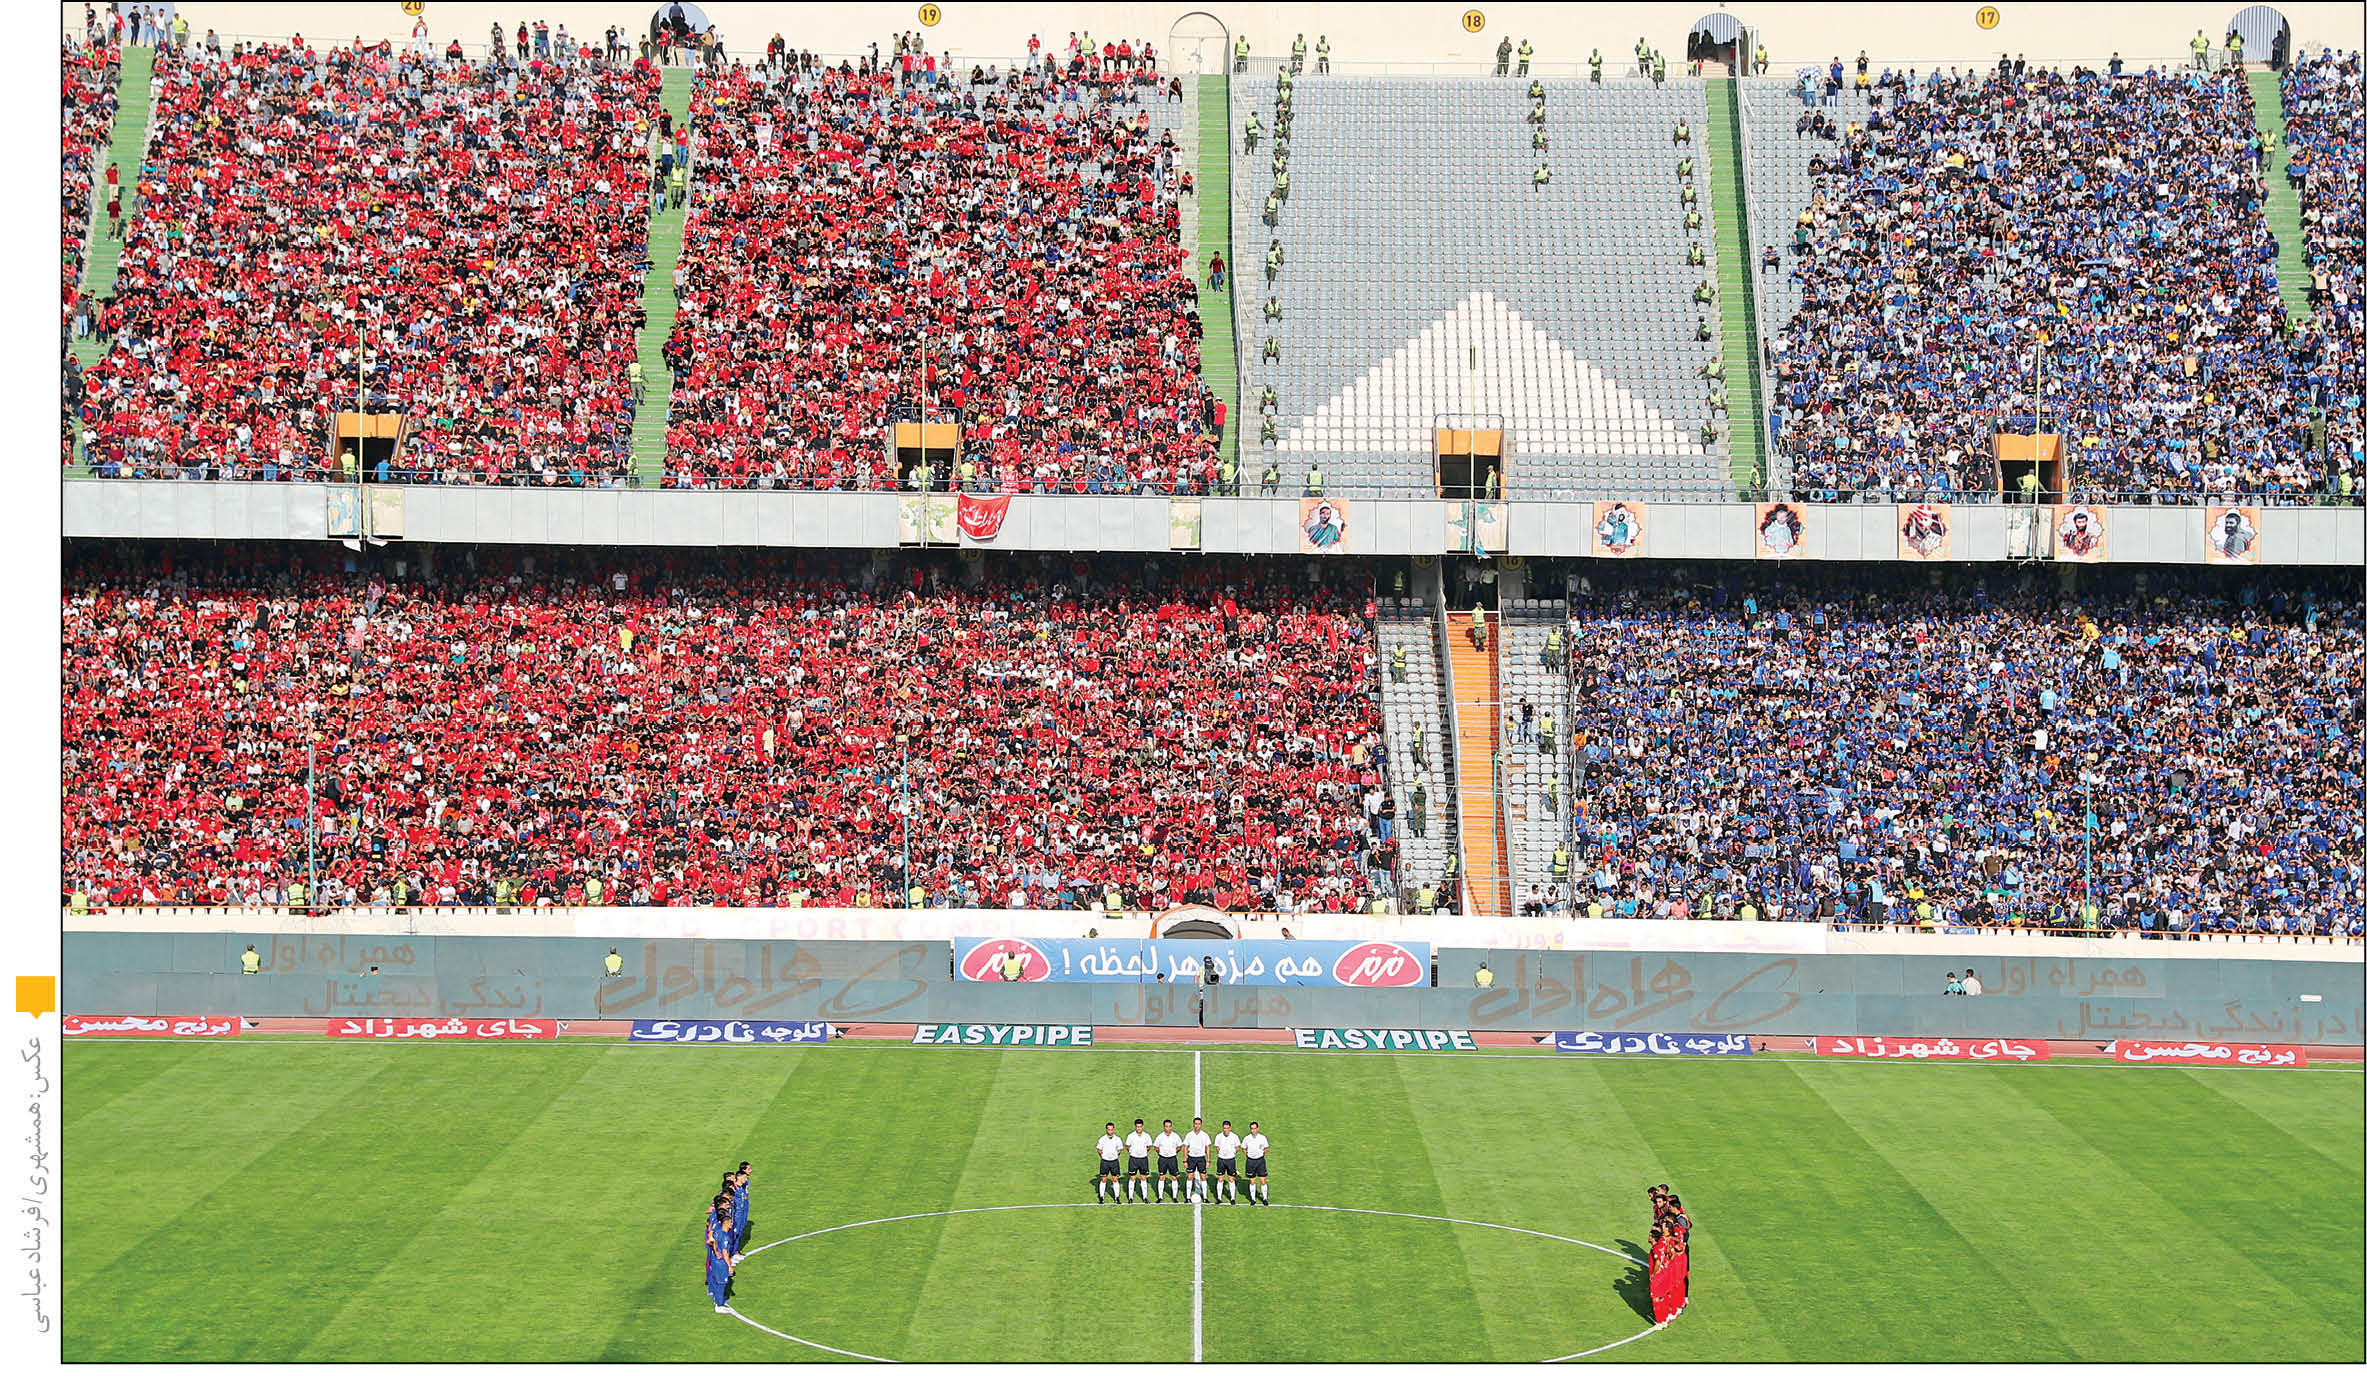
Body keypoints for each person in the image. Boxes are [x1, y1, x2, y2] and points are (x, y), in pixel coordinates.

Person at [705, 1197, 736, 1313]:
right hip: (721, 1262)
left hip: (715, 1259)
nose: (732, 1224)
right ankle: (719, 1305)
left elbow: (711, 1241)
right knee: (721, 1283)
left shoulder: (717, 1232)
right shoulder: (725, 1236)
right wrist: (729, 1266)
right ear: (726, 1224)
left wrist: (715, 1251)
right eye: (730, 1222)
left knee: (716, 1280)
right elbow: (725, 1252)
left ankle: (719, 1301)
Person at [1152, 1118, 1186, 1201]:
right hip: (1162, 1159)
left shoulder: (1175, 1136)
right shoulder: (1160, 1136)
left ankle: (1174, 1197)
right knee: (1162, 1177)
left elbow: (1180, 1146)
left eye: (1169, 1126)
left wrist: (1175, 1151)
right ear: (1164, 1127)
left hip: (1172, 1159)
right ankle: (1160, 1197)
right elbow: (1156, 1147)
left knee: (1174, 1177)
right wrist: (1161, 1152)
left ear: (1171, 1127)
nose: (1168, 1128)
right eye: (1166, 1126)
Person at [1241, 1120, 1271, 1204]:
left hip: (1260, 1161)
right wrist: (1247, 1155)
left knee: (1262, 1180)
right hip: (1250, 1161)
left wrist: (1260, 1155)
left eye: (1254, 1128)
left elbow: (1266, 1148)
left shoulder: (1262, 1138)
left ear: (1257, 1128)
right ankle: (1253, 1199)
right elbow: (1243, 1148)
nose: (1253, 1130)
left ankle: (1264, 1198)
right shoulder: (1247, 1138)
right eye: (1251, 1129)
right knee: (1252, 1181)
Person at [1124, 1118, 1154, 1201]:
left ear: (1142, 1126)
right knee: (1132, 1178)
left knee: (1143, 1178)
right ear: (1135, 1126)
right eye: (1137, 1127)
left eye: (1140, 1127)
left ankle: (1145, 1197)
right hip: (1133, 1159)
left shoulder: (1146, 1136)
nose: (1139, 1128)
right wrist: (1132, 1152)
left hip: (1143, 1159)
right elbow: (1127, 1146)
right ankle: (1130, 1197)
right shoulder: (1131, 1136)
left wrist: (1143, 1152)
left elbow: (1149, 1146)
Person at [1212, 1120, 1242, 1202]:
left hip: (1231, 1160)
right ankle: (1219, 1198)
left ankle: (1232, 1198)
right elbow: (1217, 1147)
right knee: (1220, 1179)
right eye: (1224, 1128)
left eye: (1227, 1128)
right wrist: (1222, 1153)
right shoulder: (1218, 1136)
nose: (1226, 1130)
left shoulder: (1234, 1137)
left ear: (1230, 1128)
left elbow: (1237, 1147)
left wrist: (1232, 1153)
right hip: (1221, 1159)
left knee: (1231, 1179)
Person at [1094, 1122, 1125, 1202]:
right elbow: (1099, 1150)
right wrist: (1104, 1156)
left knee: (1115, 1179)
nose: (1110, 1131)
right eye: (1108, 1130)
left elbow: (1120, 1149)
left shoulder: (1117, 1139)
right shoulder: (1102, 1139)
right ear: (1106, 1130)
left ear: (1113, 1129)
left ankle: (1117, 1198)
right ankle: (1101, 1198)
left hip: (1114, 1161)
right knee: (1104, 1179)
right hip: (1105, 1162)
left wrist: (1115, 1155)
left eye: (1111, 1130)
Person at [1184, 1116, 1213, 1202]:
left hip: (1201, 1158)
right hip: (1191, 1158)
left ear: (1201, 1125)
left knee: (1203, 1177)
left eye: (1199, 1124)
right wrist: (1185, 1160)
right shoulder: (1189, 1135)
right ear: (1193, 1124)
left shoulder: (1205, 1135)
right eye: (1196, 1124)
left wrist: (1208, 1160)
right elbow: (1185, 1147)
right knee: (1190, 1177)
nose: (1197, 1126)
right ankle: (1188, 1198)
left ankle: (1205, 1197)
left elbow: (1208, 1148)